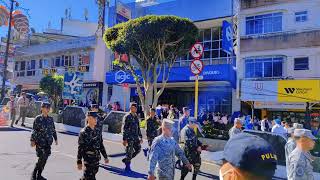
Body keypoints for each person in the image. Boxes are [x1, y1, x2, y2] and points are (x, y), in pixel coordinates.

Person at [77, 111, 109, 180]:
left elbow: (100, 144)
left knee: (87, 177)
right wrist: (79, 161)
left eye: (96, 118)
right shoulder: (83, 132)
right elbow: (80, 147)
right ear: (89, 118)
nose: (96, 120)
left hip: (96, 160)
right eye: (94, 118)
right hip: (88, 160)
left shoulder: (97, 131)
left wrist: (105, 156)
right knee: (90, 177)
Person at [30, 102, 58, 180]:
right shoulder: (38, 118)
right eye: (46, 108)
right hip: (40, 142)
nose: (47, 109)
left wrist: (56, 139)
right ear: (42, 108)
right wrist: (32, 140)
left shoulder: (50, 119)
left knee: (45, 159)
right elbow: (34, 130)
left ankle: (39, 175)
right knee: (41, 158)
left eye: (48, 108)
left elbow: (53, 130)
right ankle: (34, 174)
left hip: (48, 142)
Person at [122, 102, 143, 171]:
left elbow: (138, 127)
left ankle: (127, 159)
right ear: (131, 108)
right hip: (129, 138)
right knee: (129, 152)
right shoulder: (127, 116)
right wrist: (124, 139)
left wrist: (140, 137)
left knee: (138, 149)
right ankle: (127, 166)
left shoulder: (136, 116)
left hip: (136, 137)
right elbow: (124, 128)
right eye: (134, 107)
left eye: (136, 108)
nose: (135, 109)